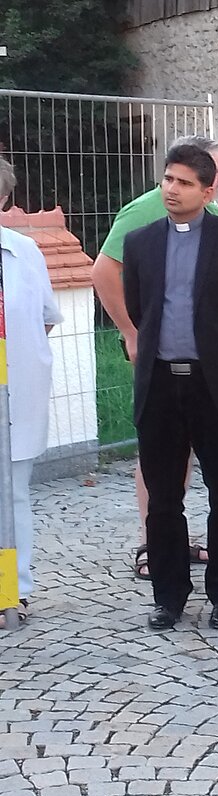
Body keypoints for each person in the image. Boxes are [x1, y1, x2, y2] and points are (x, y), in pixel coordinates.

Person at [123, 143, 218, 630]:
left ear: (208, 191)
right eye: (168, 179)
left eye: (184, 183)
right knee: (163, 497)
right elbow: (139, 307)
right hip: (159, 385)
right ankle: (168, 595)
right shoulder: (141, 243)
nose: (172, 189)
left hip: (213, 384)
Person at [92, 135, 218, 580]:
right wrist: (132, 333)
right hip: (159, 358)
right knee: (158, 450)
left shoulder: (214, 215)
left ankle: (174, 538)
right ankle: (151, 541)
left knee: (188, 452)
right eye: (210, 167)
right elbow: (103, 270)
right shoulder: (146, 210)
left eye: (215, 172)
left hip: (204, 364)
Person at [0, 156, 63, 629]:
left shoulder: (24, 252)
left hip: (14, 390)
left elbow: (45, 317)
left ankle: (11, 590)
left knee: (12, 494)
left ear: (4, 199)